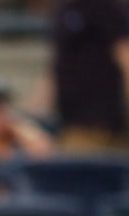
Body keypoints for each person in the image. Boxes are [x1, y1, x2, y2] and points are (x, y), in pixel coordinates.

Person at [51, 0, 129, 153]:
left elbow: (125, 57)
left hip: (100, 124)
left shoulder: (105, 6)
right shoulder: (64, 8)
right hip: (72, 120)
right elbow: (56, 67)